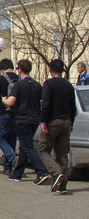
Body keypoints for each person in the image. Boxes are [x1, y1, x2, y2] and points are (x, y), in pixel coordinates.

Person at [2, 59, 51, 185]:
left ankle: (42, 172)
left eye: (17, 68)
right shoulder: (36, 84)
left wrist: (4, 99)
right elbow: (42, 101)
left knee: (27, 146)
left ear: (20, 69)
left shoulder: (19, 85)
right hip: (35, 118)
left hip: (22, 118)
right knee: (24, 146)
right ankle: (17, 173)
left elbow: (11, 102)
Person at [38, 58, 78, 194]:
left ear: (50, 69)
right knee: (62, 153)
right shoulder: (68, 85)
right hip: (66, 120)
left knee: (43, 150)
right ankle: (62, 184)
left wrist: (43, 121)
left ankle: (56, 174)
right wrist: (71, 121)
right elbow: (73, 106)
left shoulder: (49, 84)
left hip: (52, 121)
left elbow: (46, 104)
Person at [0, 59, 19, 174]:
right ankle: (8, 167)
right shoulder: (19, 78)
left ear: (1, 68)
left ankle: (12, 158)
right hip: (17, 113)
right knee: (12, 139)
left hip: (4, 112)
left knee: (1, 138)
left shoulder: (0, 79)